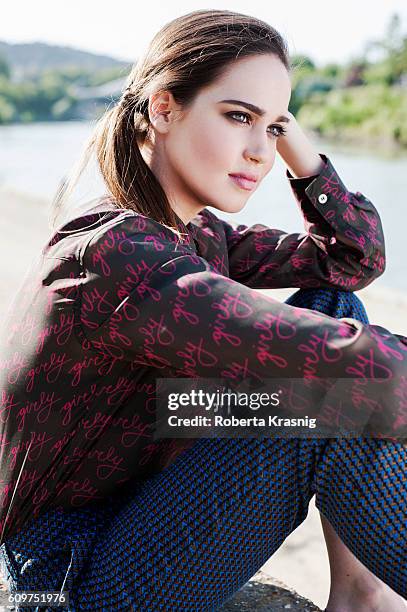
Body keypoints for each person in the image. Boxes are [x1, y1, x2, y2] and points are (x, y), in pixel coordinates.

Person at [0, 9, 406, 611]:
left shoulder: (198, 236)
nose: (259, 152)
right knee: (328, 389)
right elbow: (351, 368)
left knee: (335, 306)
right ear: (163, 108)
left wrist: (302, 154)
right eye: (239, 117)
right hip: (73, 571)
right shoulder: (114, 255)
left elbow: (351, 260)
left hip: (148, 507)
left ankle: (361, 592)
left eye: (272, 129)